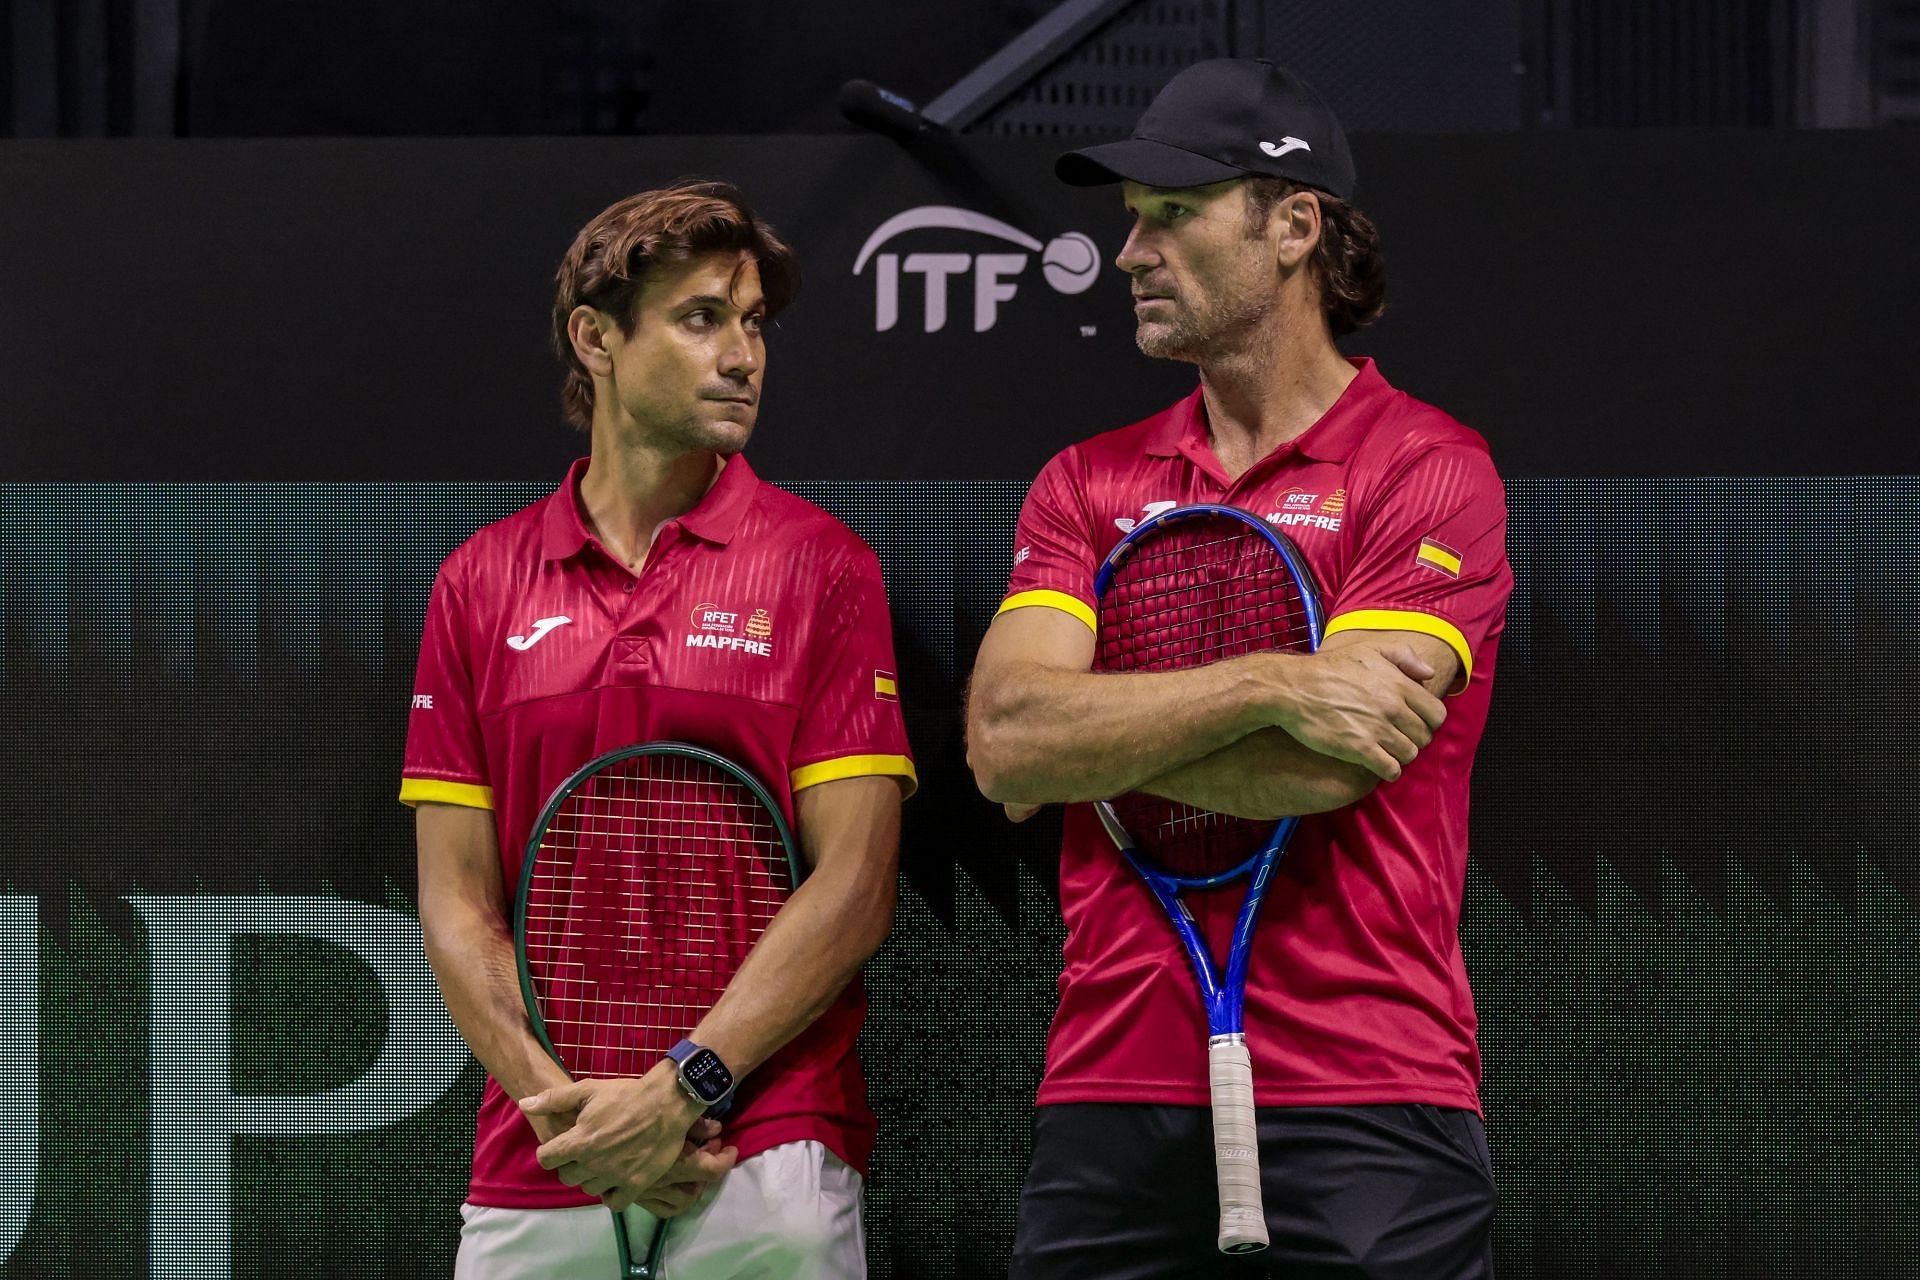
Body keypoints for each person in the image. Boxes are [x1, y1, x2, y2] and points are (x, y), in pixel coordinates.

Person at [966, 60, 1510, 1278]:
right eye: (1130, 220)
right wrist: (1272, 680)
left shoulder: (1430, 469)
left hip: (1368, 1082)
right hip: (1113, 1079)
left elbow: (1333, 763)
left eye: (1171, 213)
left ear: (1295, 224)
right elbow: (1005, 740)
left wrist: (1097, 734)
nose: (1129, 253)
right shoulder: (1084, 482)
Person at [401, 179, 915, 1279]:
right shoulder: (478, 583)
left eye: (753, 324)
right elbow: (454, 896)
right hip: (548, 1147)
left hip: (764, 1141)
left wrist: (681, 1088)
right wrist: (565, 1109)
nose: (743, 355)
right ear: (596, 338)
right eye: (700, 318)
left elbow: (857, 882)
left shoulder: (822, 566)